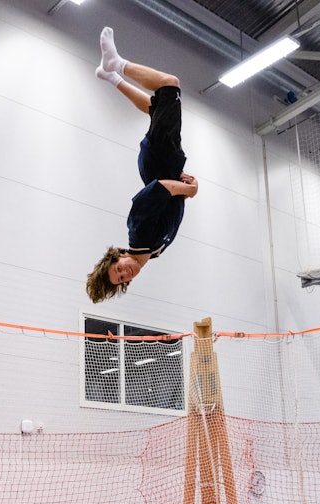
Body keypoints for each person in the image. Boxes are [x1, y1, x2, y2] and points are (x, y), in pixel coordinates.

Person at [86, 27, 198, 303]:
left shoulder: (140, 235)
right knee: (153, 107)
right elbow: (167, 201)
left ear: (118, 256)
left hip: (160, 158)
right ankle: (111, 76)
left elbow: (157, 189)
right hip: (164, 162)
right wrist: (185, 187)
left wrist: (190, 191)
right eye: (122, 279)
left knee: (169, 84)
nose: (126, 274)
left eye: (119, 270)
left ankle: (117, 64)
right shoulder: (154, 251)